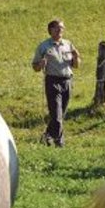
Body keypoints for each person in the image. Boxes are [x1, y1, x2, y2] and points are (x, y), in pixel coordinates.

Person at [31, 18, 80, 146]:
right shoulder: (44, 46)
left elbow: (76, 66)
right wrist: (40, 64)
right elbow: (35, 67)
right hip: (52, 81)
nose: (60, 30)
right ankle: (60, 142)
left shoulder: (68, 44)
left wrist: (76, 57)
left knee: (59, 115)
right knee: (57, 115)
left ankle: (47, 135)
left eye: (62, 28)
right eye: (57, 28)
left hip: (67, 81)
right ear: (50, 30)